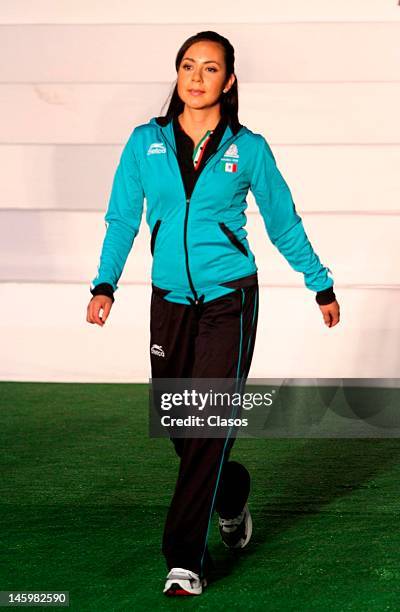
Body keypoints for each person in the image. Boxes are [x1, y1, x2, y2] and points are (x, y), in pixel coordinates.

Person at [86, 30, 340, 597]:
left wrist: (320, 285)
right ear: (176, 75)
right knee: (181, 423)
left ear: (229, 81)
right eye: (187, 66)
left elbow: (283, 222)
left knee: (204, 425)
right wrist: (105, 284)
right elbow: (122, 218)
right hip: (169, 301)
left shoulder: (248, 149)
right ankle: (232, 490)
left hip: (230, 300)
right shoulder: (143, 143)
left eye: (210, 68)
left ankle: (185, 560)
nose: (196, 77)